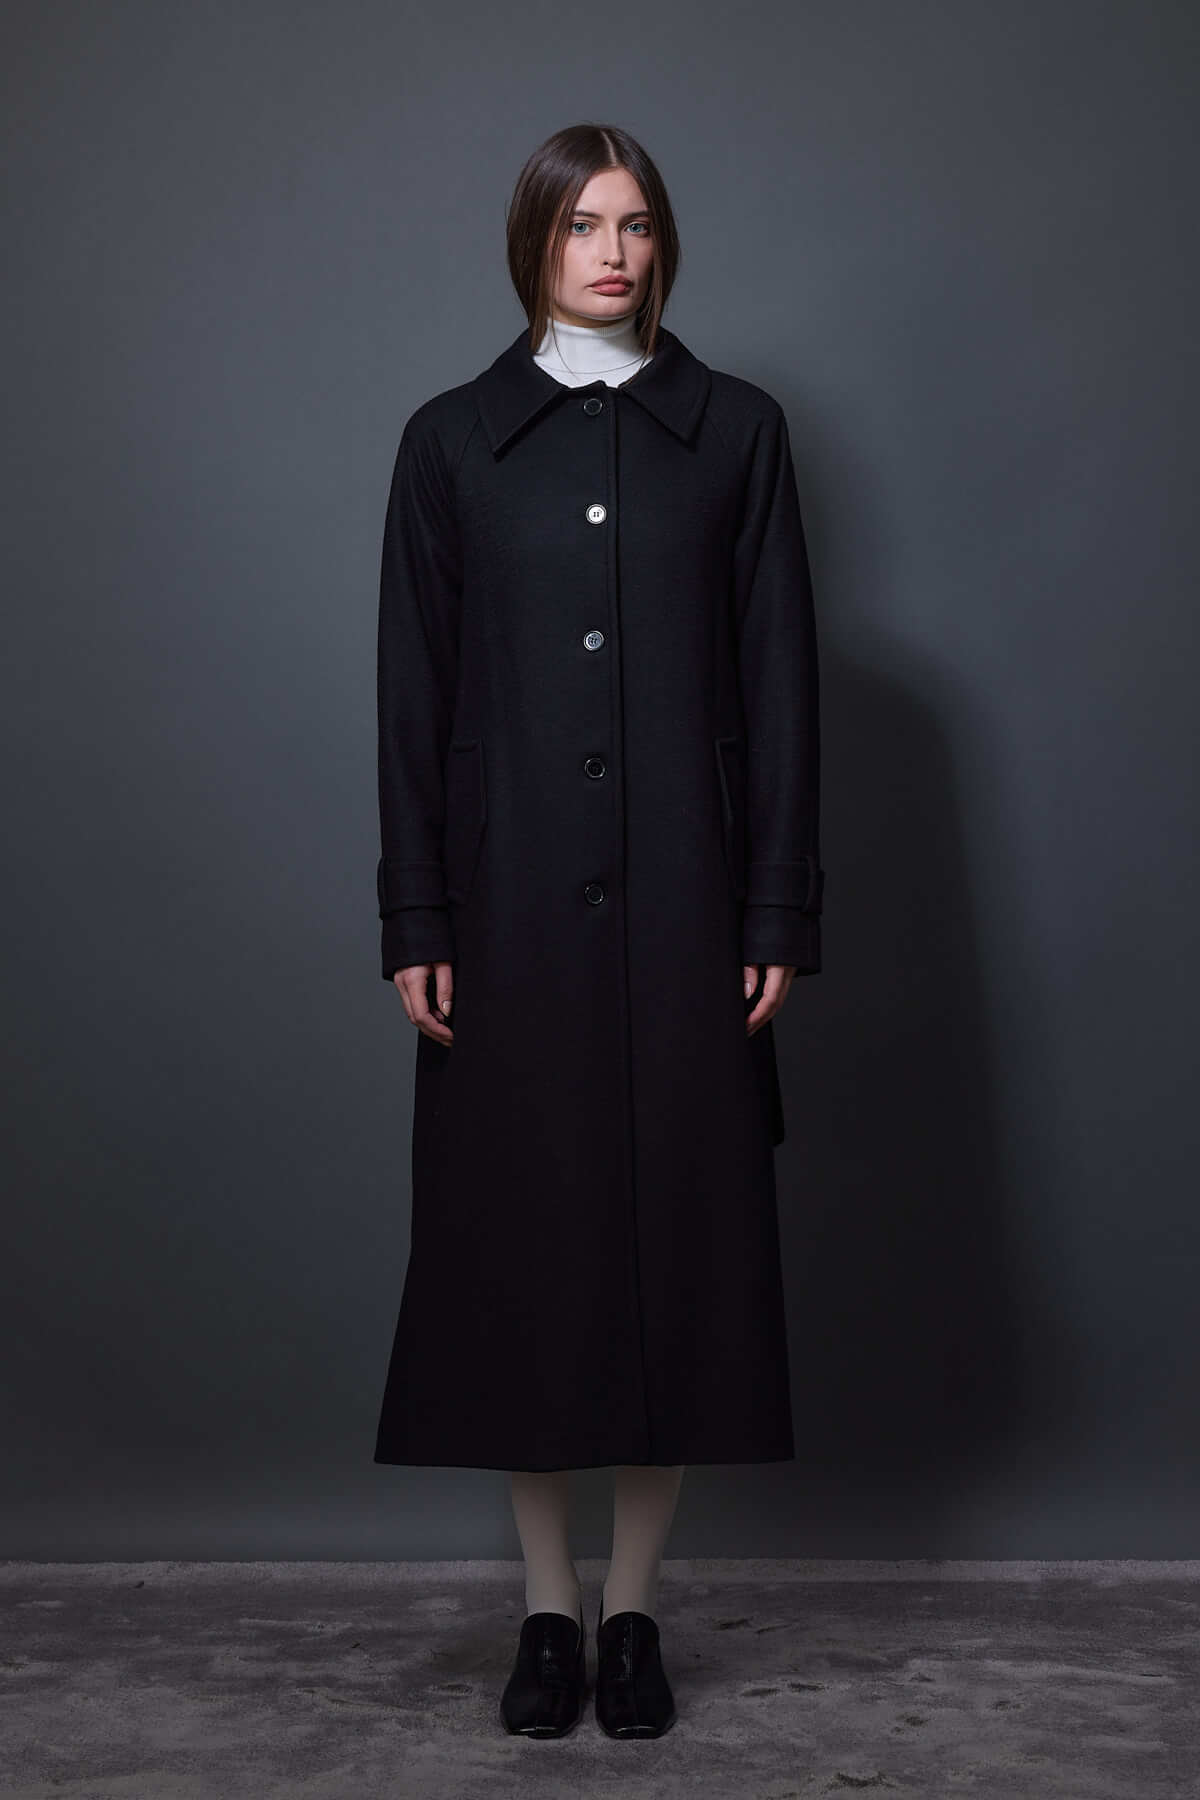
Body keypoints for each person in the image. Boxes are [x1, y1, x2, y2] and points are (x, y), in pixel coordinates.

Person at [372, 122, 824, 1740]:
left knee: (678, 1252)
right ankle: (545, 1611)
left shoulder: (738, 434)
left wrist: (776, 908)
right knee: (524, 1252)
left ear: (662, 244)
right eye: (582, 227)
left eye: (634, 226)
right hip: (505, 917)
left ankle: (634, 1612)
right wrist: (415, 913)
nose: (613, 254)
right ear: (535, 245)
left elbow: (781, 686)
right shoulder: (450, 443)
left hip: (693, 911)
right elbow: (411, 696)